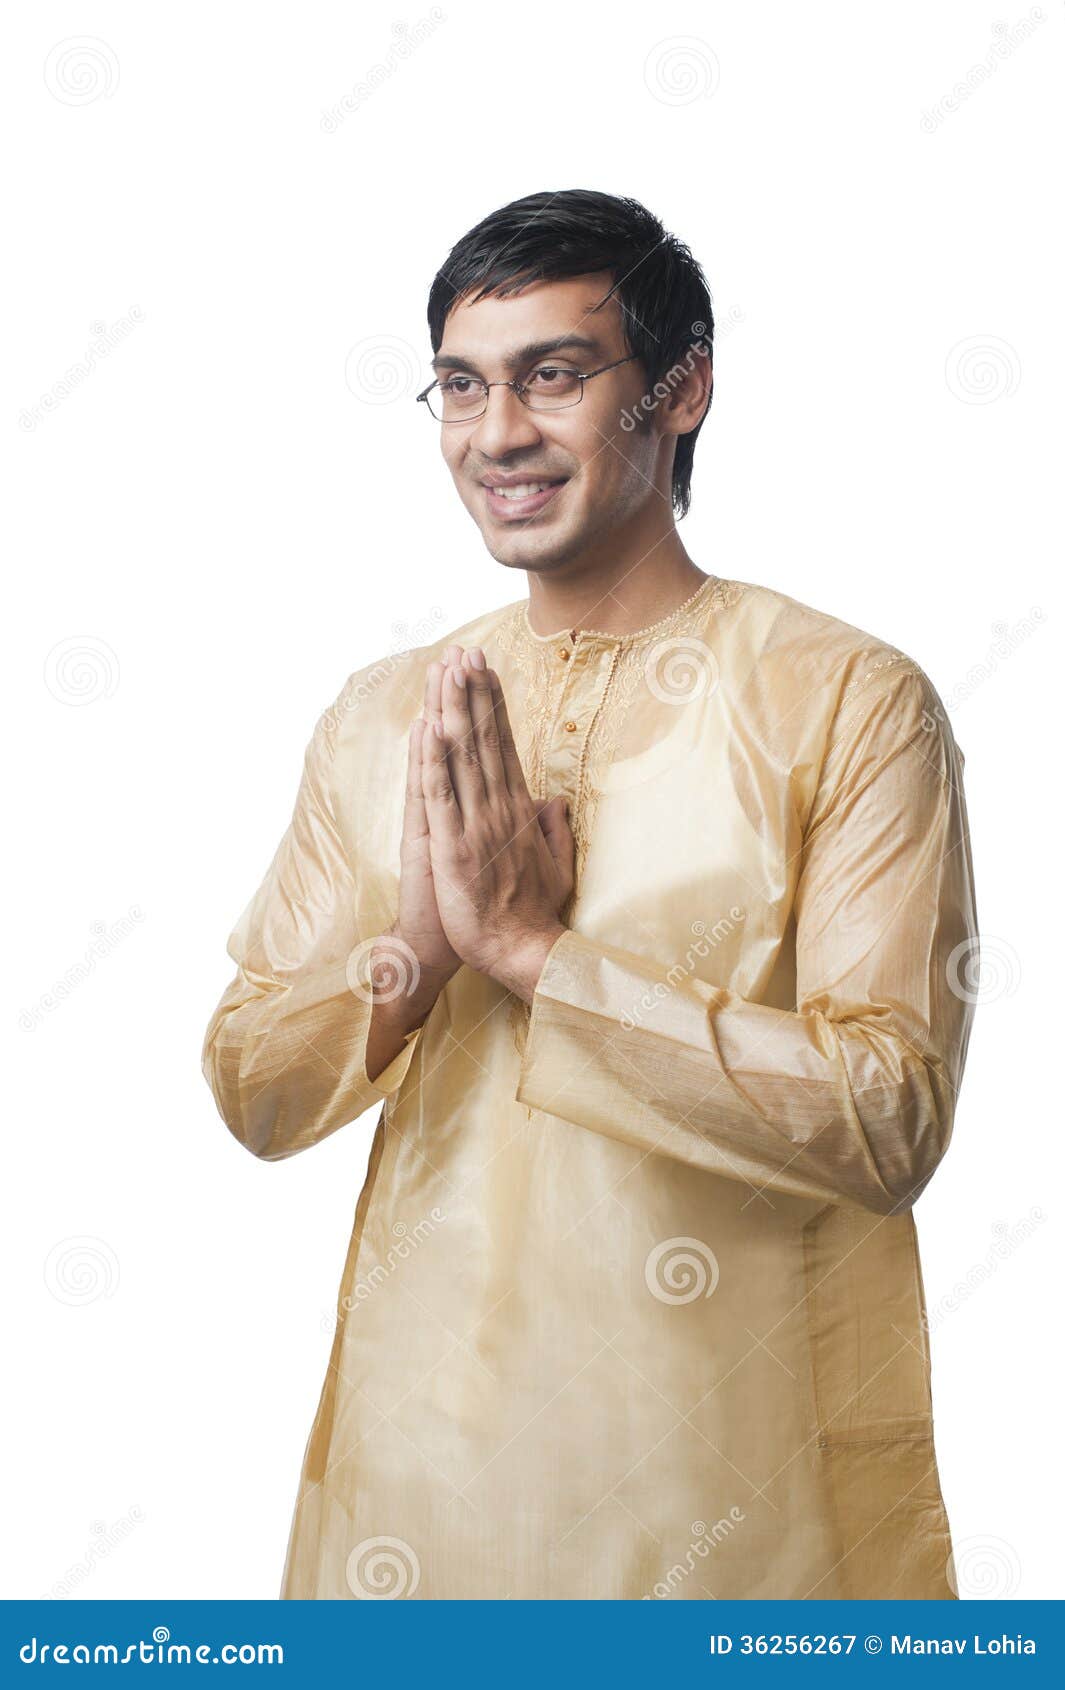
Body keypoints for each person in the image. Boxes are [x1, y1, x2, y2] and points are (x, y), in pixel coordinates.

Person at [201, 189, 978, 1600]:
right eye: (459, 384)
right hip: (411, 1505)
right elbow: (251, 1089)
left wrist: (539, 956)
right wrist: (419, 953)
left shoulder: (846, 702)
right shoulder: (386, 715)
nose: (496, 431)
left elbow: (889, 1114)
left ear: (679, 393)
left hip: (741, 1524)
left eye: (552, 376)